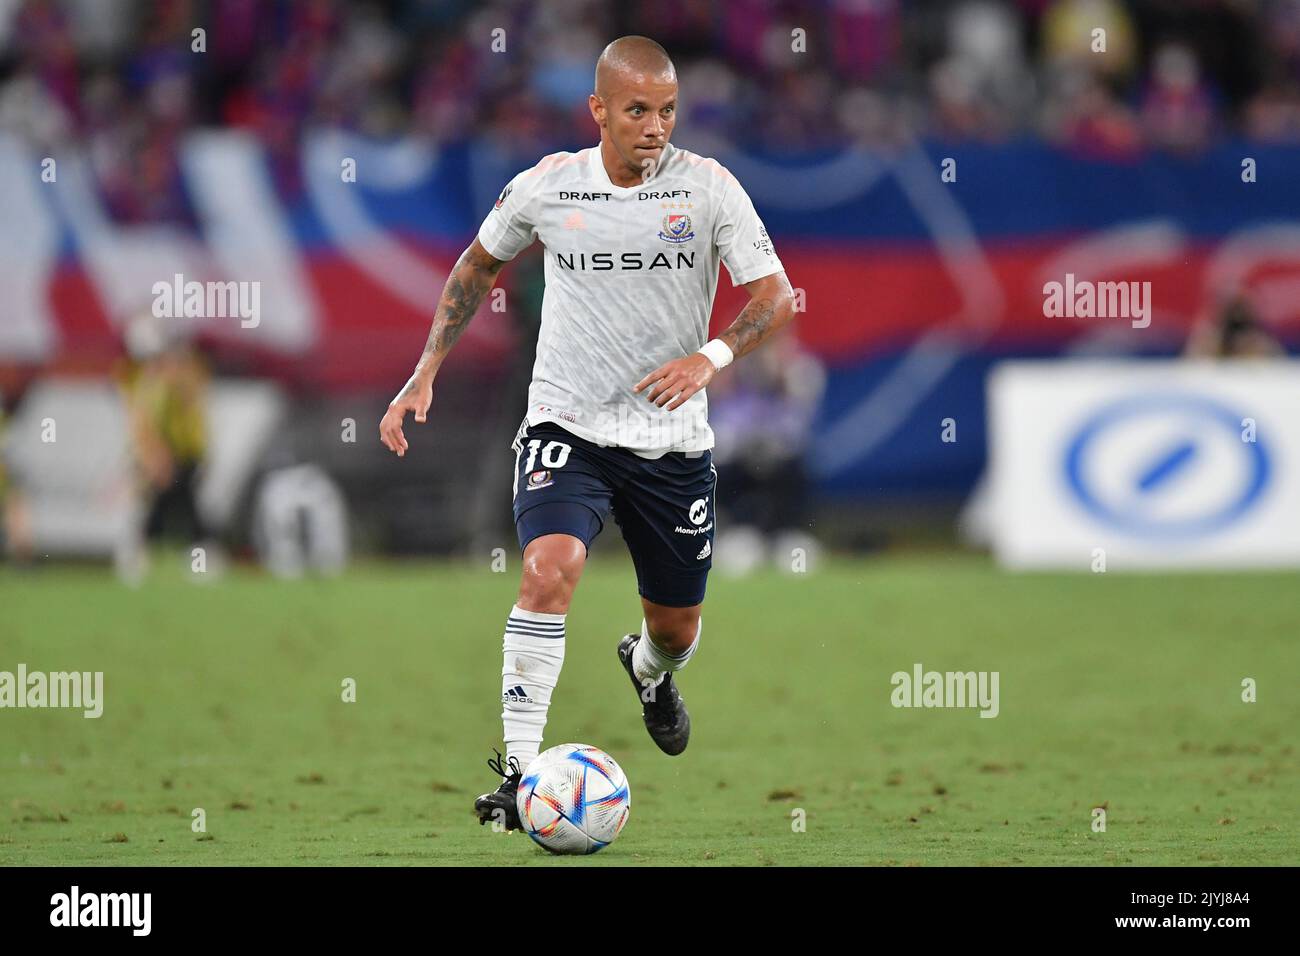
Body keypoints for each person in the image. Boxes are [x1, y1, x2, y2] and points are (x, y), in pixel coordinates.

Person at [378, 36, 796, 831]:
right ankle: (519, 772)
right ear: (598, 110)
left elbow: (777, 298)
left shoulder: (709, 190)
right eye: (637, 110)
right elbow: (475, 266)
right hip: (566, 424)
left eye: (668, 111)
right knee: (549, 569)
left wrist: (710, 358)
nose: (655, 127)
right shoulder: (548, 186)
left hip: (671, 443)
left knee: (676, 630)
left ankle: (647, 671)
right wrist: (425, 368)